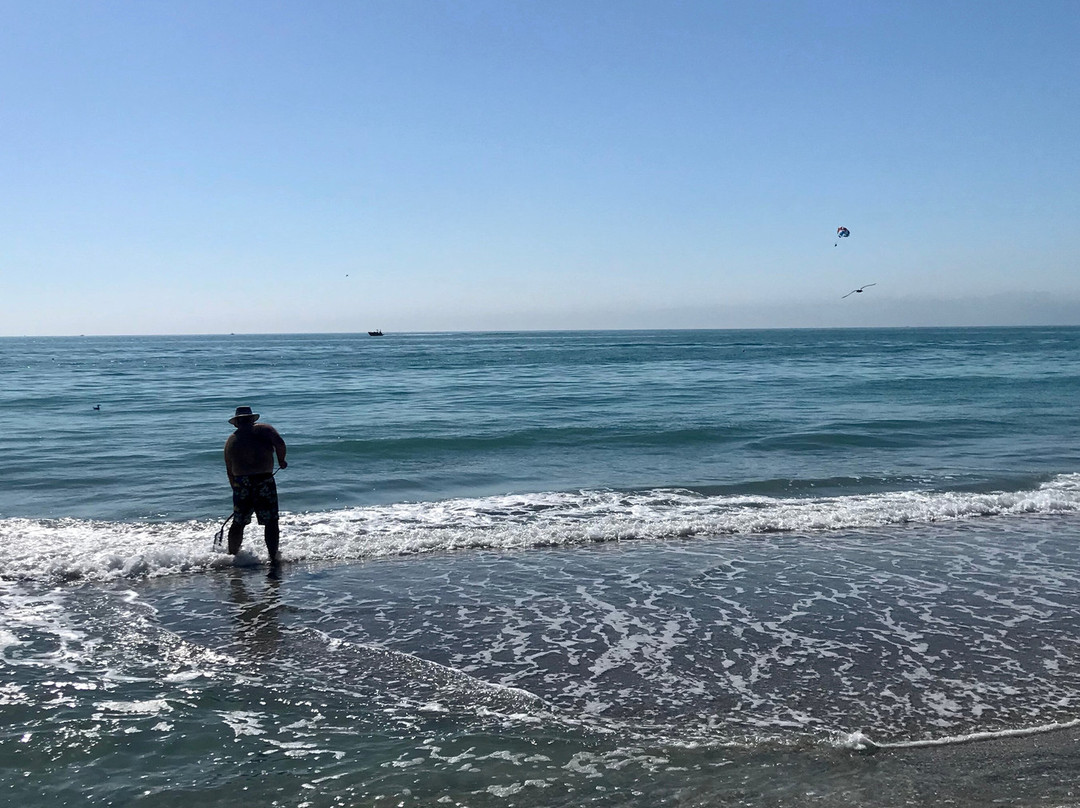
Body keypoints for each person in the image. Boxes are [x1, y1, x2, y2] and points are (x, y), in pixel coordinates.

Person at [224, 406, 287, 563]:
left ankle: (232, 557)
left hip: (241, 483)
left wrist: (237, 489)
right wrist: (281, 460)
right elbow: (279, 443)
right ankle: (273, 557)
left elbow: (229, 470)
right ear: (252, 420)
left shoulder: (231, 440)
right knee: (271, 521)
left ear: (236, 423)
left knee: (239, 521)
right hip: (263, 480)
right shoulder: (264, 429)